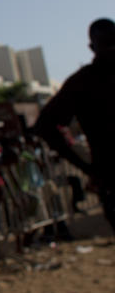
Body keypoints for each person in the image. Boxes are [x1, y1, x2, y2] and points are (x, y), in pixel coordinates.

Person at [35, 18, 115, 232]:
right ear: (92, 47)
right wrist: (87, 168)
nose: (112, 48)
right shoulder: (83, 82)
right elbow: (45, 126)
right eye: (106, 43)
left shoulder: (82, 81)